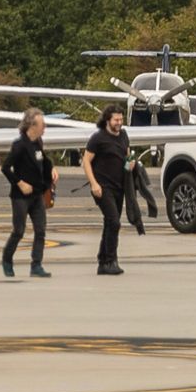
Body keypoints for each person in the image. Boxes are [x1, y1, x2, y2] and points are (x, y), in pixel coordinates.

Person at [2, 107, 57, 278]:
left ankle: (36, 264)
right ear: (32, 125)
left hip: (37, 195)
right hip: (21, 197)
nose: (44, 128)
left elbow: (43, 161)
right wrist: (19, 183)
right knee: (19, 230)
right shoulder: (19, 146)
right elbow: (5, 168)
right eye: (42, 125)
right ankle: (7, 259)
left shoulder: (38, 143)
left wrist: (52, 169)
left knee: (40, 230)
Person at [82, 105, 132, 275]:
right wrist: (93, 184)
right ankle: (110, 260)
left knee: (111, 222)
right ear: (107, 120)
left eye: (121, 119)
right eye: (116, 120)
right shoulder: (98, 138)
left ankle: (103, 260)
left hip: (119, 187)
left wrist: (130, 163)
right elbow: (86, 161)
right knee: (114, 222)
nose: (119, 123)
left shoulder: (124, 135)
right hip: (103, 188)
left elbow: (127, 154)